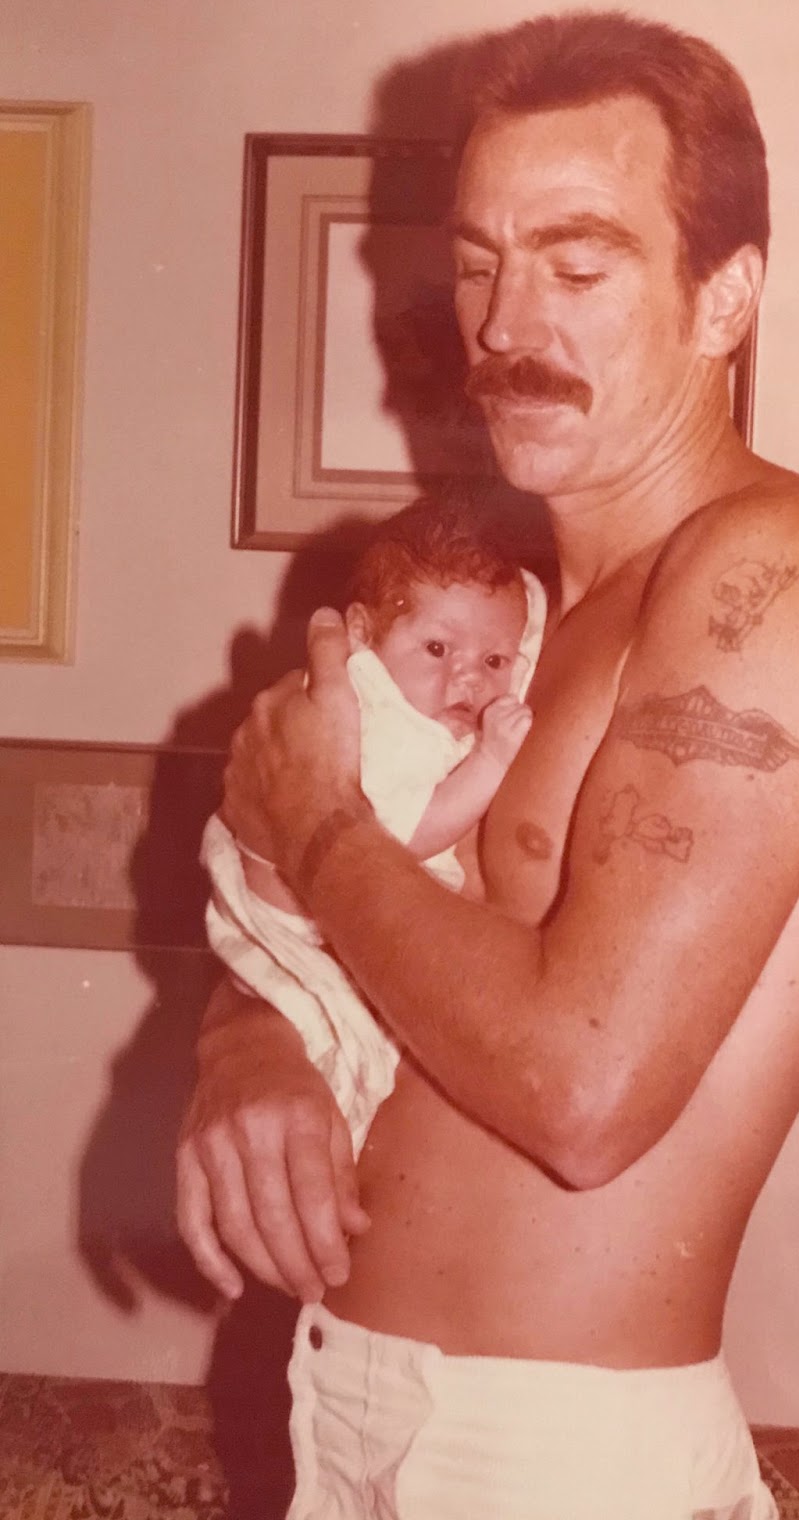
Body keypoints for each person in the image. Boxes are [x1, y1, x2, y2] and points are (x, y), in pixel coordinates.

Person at [177, 9, 799, 1519]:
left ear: (726, 298)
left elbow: (585, 1087)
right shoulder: (498, 613)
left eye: (577, 270)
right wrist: (249, 1049)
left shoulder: (776, 573)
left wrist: (315, 829)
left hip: (549, 1449)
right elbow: (365, 909)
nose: (508, 325)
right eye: (477, 265)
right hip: (349, 1403)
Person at [200, 494, 546, 1153]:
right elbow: (396, 842)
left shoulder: (420, 699)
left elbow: (521, 619)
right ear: (361, 634)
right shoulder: (377, 718)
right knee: (339, 1068)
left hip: (323, 919)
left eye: (494, 662)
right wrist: (493, 759)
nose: (467, 678)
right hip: (304, 927)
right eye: (437, 648)